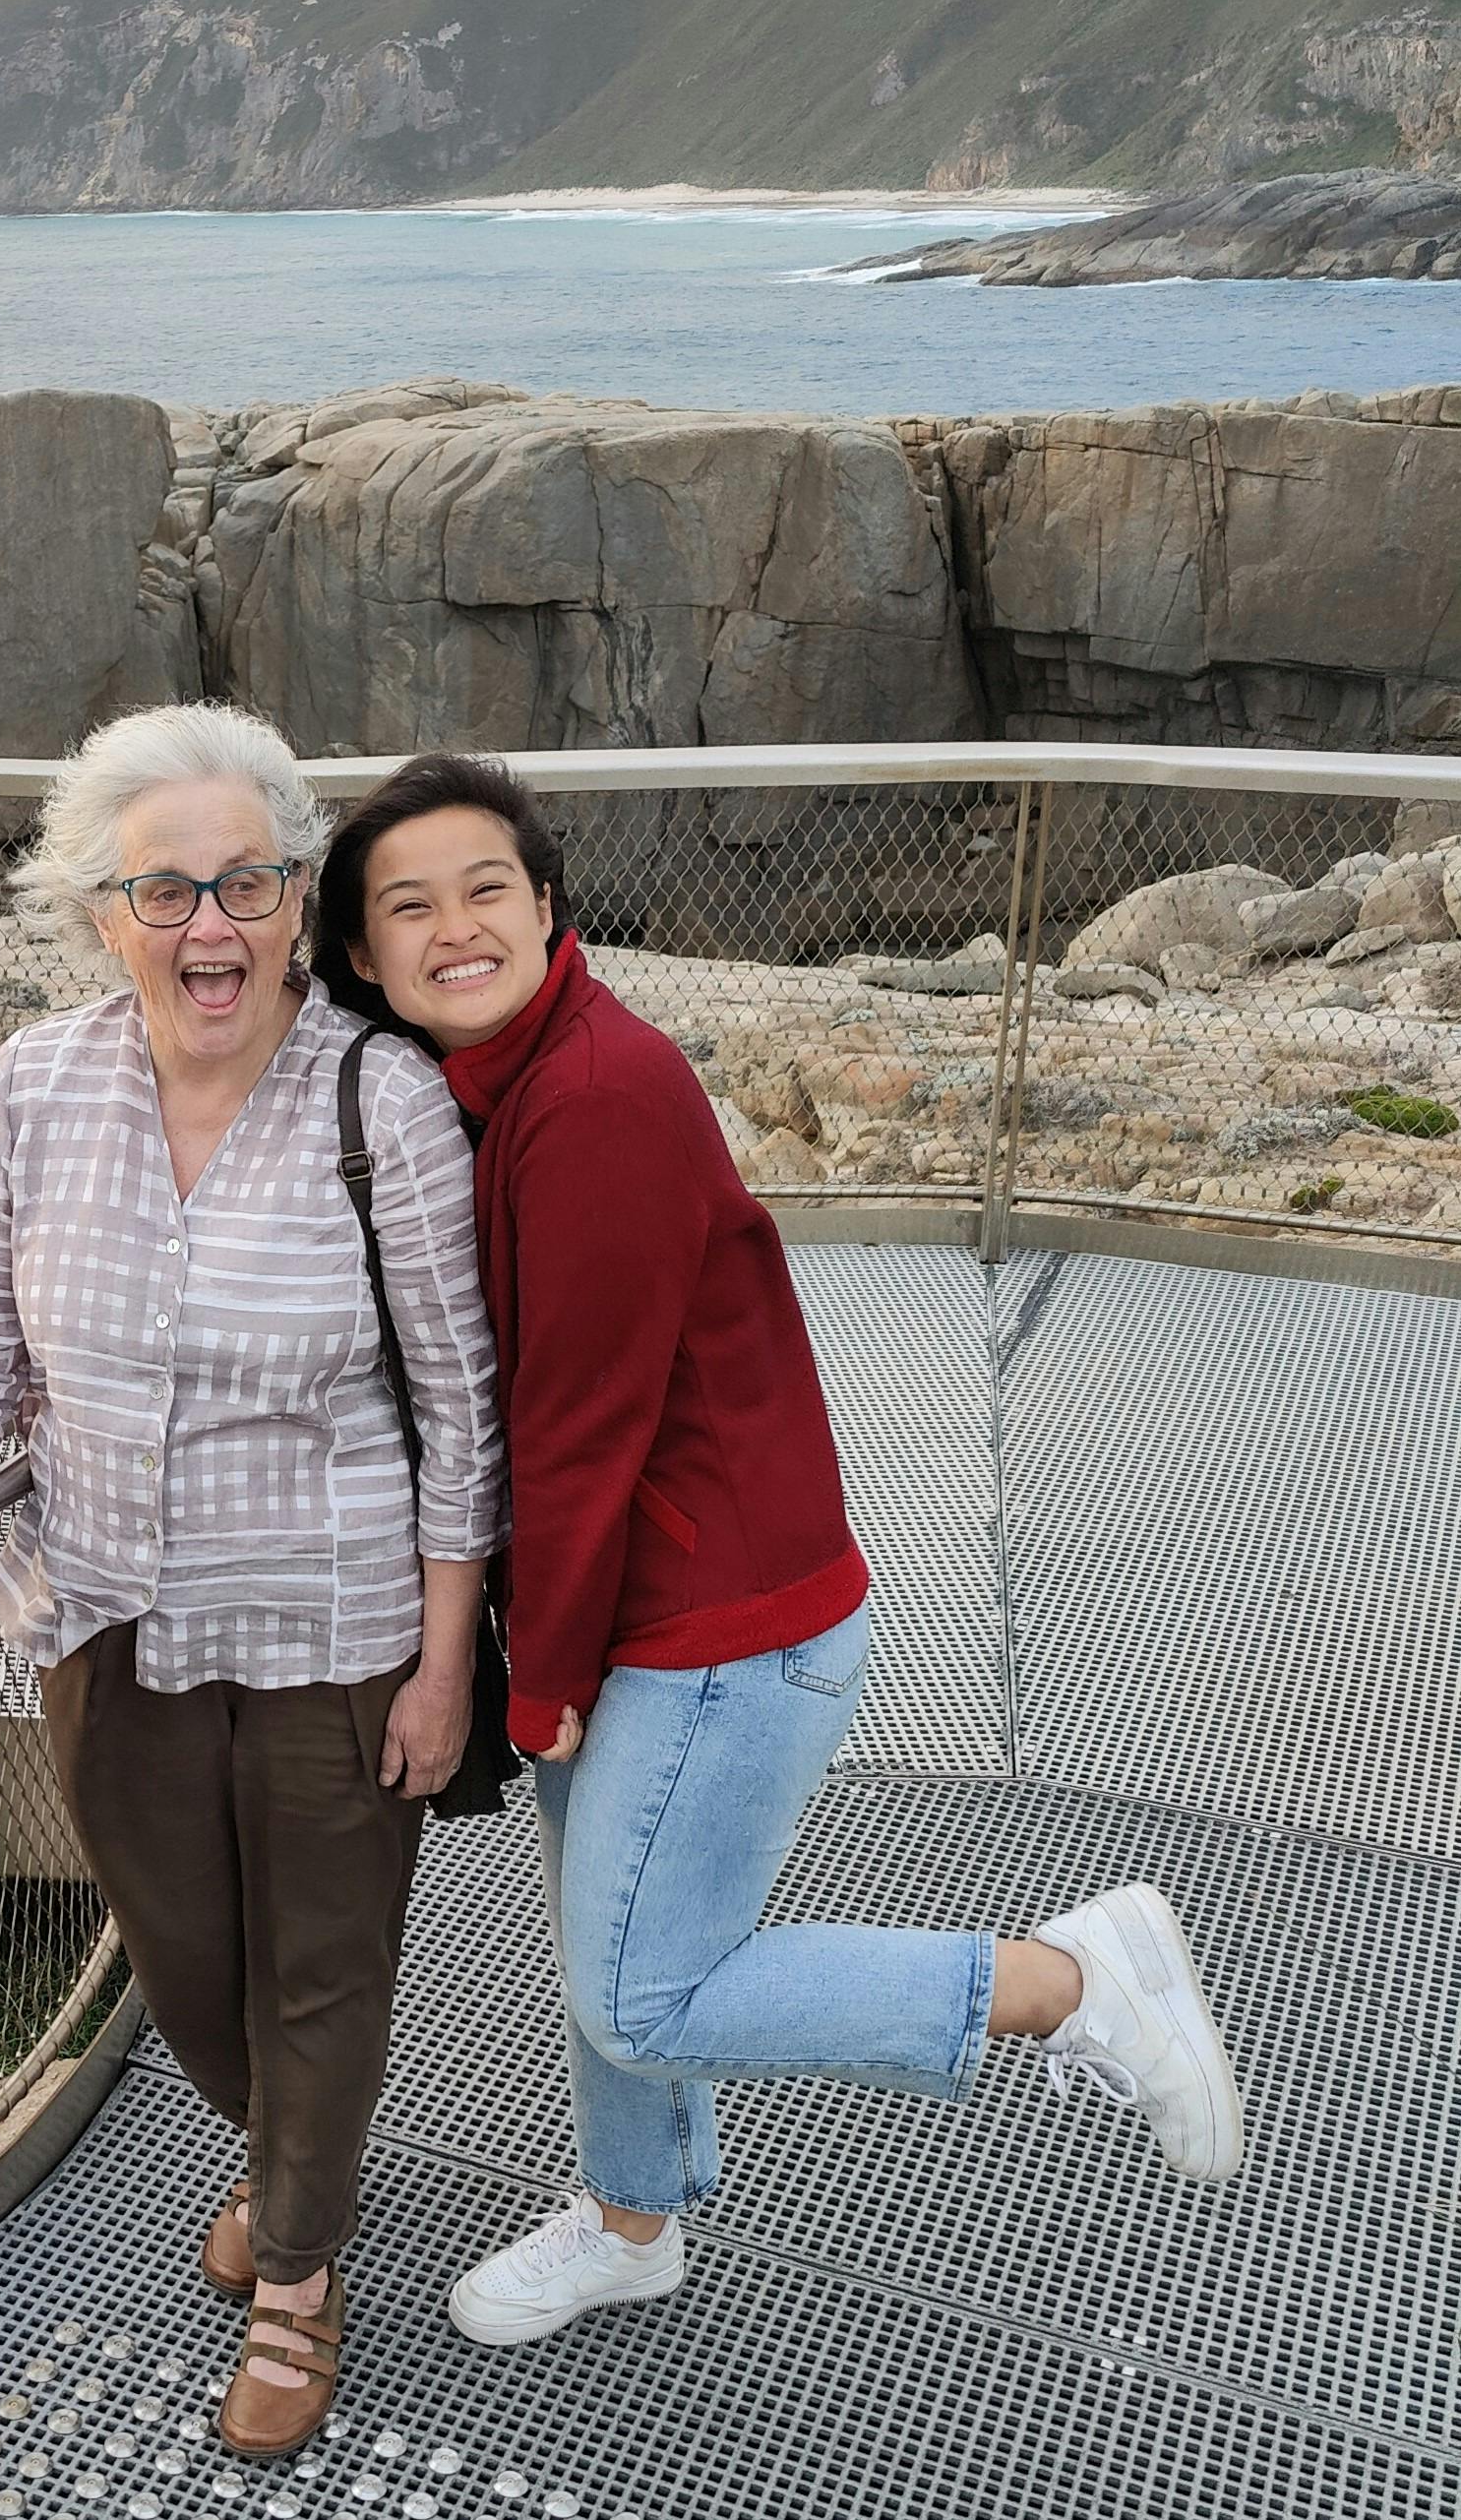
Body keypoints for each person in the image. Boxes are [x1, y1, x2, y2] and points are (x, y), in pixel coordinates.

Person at [314, 750, 1245, 2350]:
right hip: (657, 1605)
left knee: (644, 1985)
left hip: (716, 1631)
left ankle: (1064, 1978)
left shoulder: (591, 1097)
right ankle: (631, 2222)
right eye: (408, 906)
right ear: (358, 954)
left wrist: (534, 1682)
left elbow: (580, 1429)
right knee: (614, 1942)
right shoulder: (498, 1082)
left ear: (547, 906)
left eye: (485, 889)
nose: (453, 926)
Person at [0, 702, 504, 2455]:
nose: (208, 925)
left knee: (323, 1965)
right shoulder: (34, 1085)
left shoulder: (383, 1098)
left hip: (337, 1629)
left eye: (246, 882)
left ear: (299, 897)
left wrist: (443, 1662)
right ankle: (289, 2150)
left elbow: (462, 1409)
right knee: (181, 1964)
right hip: (104, 1617)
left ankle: (297, 2268)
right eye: (164, 889)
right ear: (101, 913)